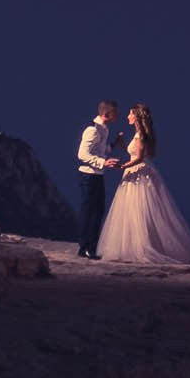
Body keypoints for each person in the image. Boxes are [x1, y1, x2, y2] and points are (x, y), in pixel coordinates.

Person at [95, 102, 190, 265]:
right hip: (136, 171)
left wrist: (122, 166)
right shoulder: (139, 135)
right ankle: (133, 245)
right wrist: (121, 144)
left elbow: (139, 158)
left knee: (139, 208)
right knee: (133, 208)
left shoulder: (140, 135)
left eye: (130, 114)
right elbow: (136, 152)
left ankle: (140, 246)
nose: (127, 116)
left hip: (139, 172)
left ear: (136, 117)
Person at [74, 98, 123, 259]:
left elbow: (101, 150)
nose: (117, 116)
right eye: (115, 113)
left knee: (98, 211)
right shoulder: (92, 129)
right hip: (88, 175)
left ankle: (91, 247)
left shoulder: (104, 129)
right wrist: (103, 162)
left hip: (97, 175)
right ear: (107, 114)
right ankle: (85, 248)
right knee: (89, 211)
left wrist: (114, 144)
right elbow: (82, 154)